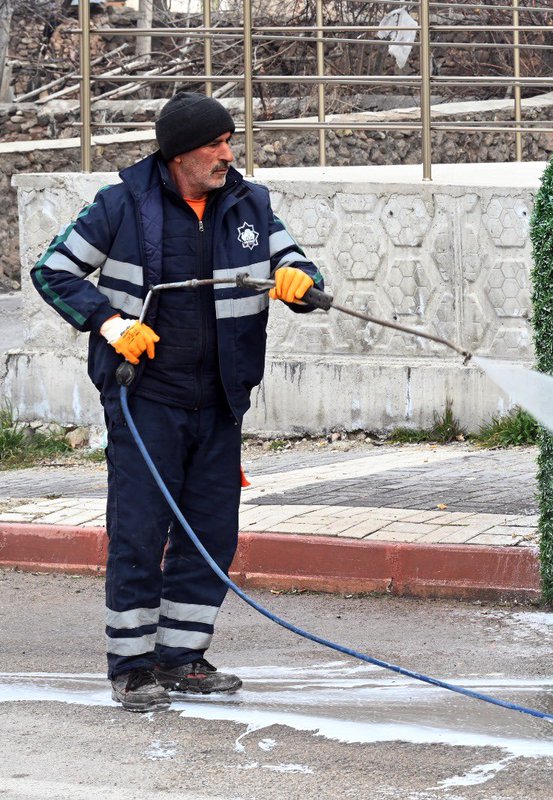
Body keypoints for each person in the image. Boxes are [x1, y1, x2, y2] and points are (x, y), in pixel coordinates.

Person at [30, 91, 324, 712]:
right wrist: (111, 325)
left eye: (227, 141)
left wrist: (301, 283)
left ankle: (183, 657)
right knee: (139, 532)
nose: (227, 154)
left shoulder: (249, 204)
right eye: (215, 144)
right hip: (147, 401)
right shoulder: (122, 207)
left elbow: (293, 264)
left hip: (220, 402)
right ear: (179, 154)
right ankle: (132, 667)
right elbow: (52, 271)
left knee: (210, 533)